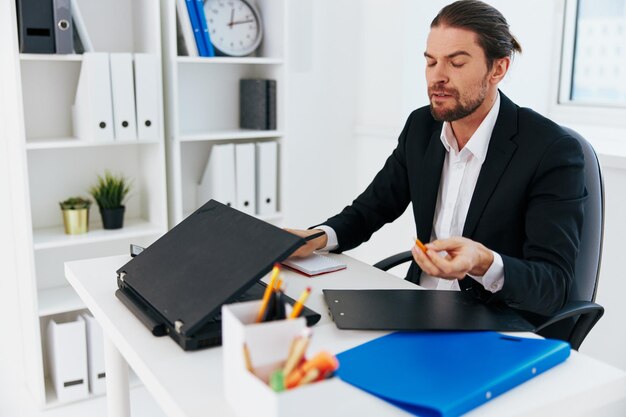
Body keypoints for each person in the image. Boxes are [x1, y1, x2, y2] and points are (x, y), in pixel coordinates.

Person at [286, 0, 586, 318]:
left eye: (456, 63)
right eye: (431, 62)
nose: (437, 77)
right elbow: (369, 210)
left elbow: (553, 286)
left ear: (498, 69)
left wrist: (484, 261)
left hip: (493, 320)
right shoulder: (422, 128)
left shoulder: (551, 149)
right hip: (420, 305)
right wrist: (317, 238)